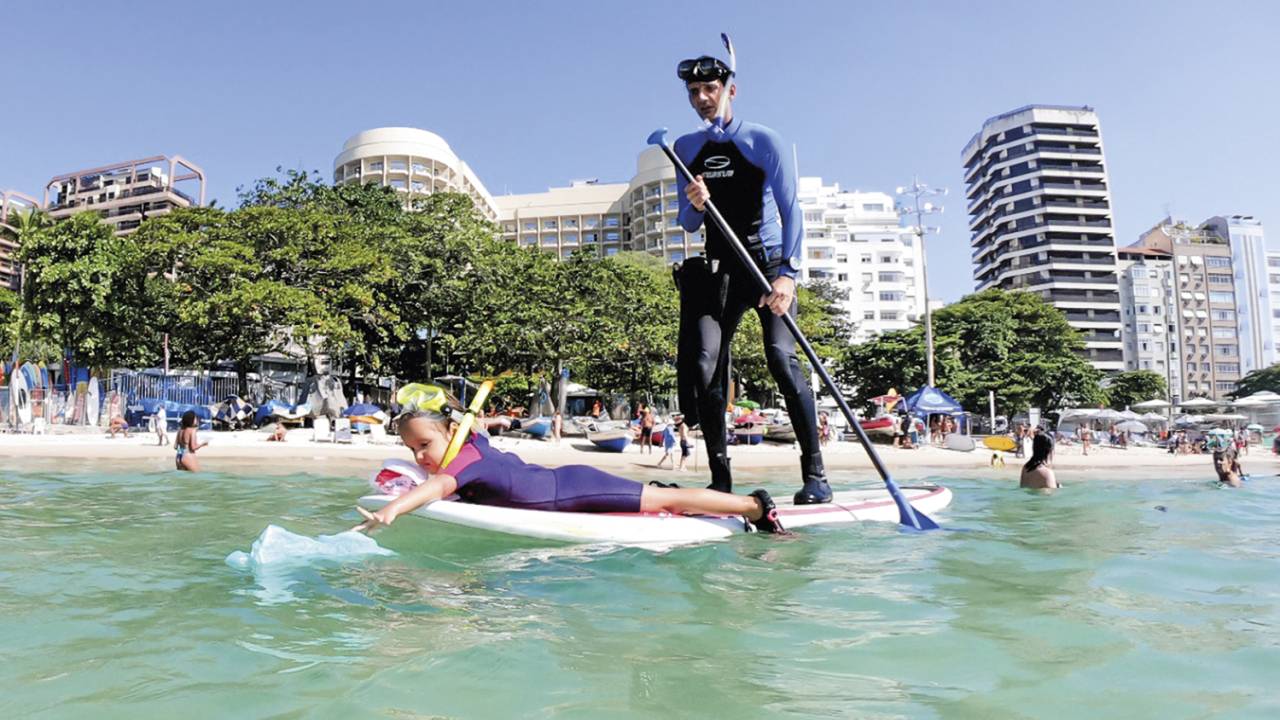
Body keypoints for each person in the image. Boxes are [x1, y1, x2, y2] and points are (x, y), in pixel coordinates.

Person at [670, 50, 830, 504]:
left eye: (710, 89)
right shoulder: (684, 148)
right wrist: (696, 201)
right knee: (705, 365)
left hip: (766, 264)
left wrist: (788, 276)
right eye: (694, 92)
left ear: (730, 90)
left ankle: (815, 476)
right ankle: (720, 482)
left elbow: (790, 208)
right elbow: (688, 223)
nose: (702, 98)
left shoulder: (764, 141)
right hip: (720, 269)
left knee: (781, 358)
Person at [355, 402, 788, 534]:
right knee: (662, 499)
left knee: (667, 500)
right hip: (562, 485)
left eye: (424, 444)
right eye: (411, 449)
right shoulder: (470, 441)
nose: (418, 457)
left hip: (574, 489)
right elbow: (469, 440)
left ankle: (753, 506)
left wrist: (392, 510)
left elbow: (438, 486)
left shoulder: (466, 458)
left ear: (452, 431)